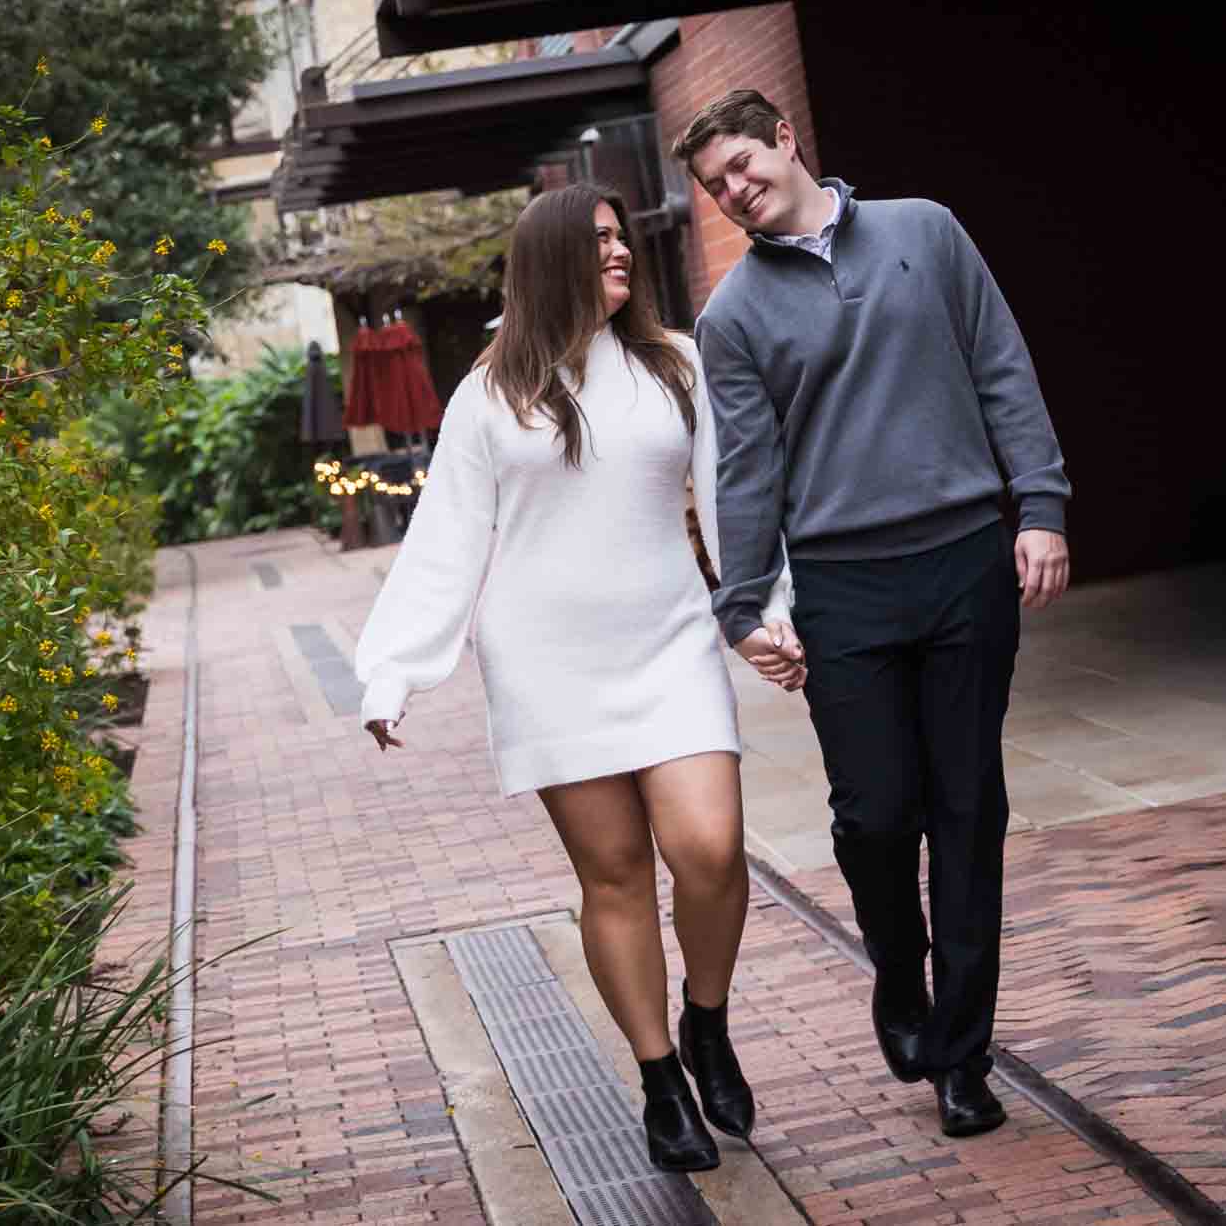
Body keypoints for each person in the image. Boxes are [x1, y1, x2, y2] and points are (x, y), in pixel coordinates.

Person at [353, 183, 803, 1172]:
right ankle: (658, 1081)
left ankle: (706, 1017)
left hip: (668, 642)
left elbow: (731, 503)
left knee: (709, 847)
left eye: (622, 238)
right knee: (612, 876)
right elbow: (446, 545)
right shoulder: (488, 391)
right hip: (547, 663)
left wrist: (761, 613)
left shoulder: (674, 363)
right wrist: (391, 671)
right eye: (597, 240)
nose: (619, 253)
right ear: (550, 256)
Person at [673, 89, 1072, 1139]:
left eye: (743, 167)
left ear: (786, 140)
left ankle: (960, 1054)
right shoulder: (732, 316)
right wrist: (740, 605)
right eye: (717, 186)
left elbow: (1000, 369)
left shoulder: (924, 231)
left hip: (960, 563)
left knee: (966, 810)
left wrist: (1038, 506)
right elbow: (748, 473)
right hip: (843, 587)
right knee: (875, 816)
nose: (734, 192)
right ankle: (898, 971)